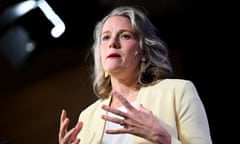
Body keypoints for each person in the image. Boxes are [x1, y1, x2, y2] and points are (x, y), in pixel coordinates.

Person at [58, 6, 212, 144]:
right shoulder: (87, 117)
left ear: (143, 52)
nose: (113, 43)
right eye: (106, 37)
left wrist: (163, 139)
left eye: (125, 36)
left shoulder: (178, 92)